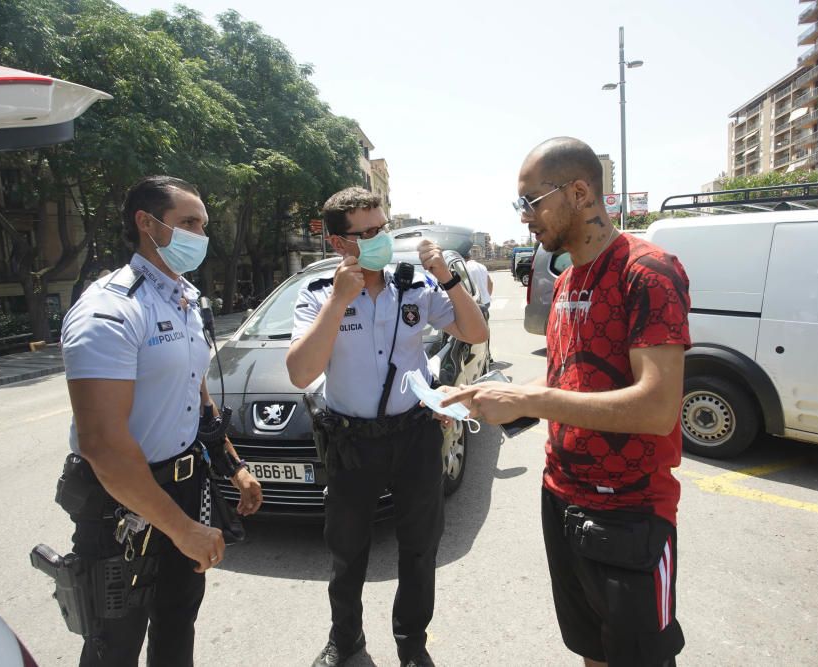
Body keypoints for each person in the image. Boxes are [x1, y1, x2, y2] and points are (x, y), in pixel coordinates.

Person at [442, 137, 691, 667]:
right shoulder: (565, 283)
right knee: (590, 650)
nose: (524, 216)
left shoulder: (647, 273)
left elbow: (657, 407)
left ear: (580, 192)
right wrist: (486, 399)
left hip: (630, 512)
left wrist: (531, 396)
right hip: (561, 496)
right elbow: (568, 383)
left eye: (531, 200)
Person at [57, 175, 263, 667]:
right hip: (121, 506)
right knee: (114, 644)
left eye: (204, 225)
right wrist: (182, 529)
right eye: (188, 222)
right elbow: (103, 445)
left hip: (185, 488)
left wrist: (232, 464)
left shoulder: (185, 300)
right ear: (146, 224)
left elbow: (196, 395)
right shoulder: (110, 309)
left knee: (177, 625)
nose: (201, 235)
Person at [286, 187, 488, 667]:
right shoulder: (317, 294)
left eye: (383, 227)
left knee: (420, 548)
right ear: (339, 243)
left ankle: (412, 645)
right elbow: (300, 372)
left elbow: (475, 332)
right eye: (367, 232)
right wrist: (340, 301)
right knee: (347, 552)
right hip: (352, 443)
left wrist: (450, 277)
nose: (380, 238)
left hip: (414, 435)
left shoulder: (414, 285)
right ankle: (346, 640)